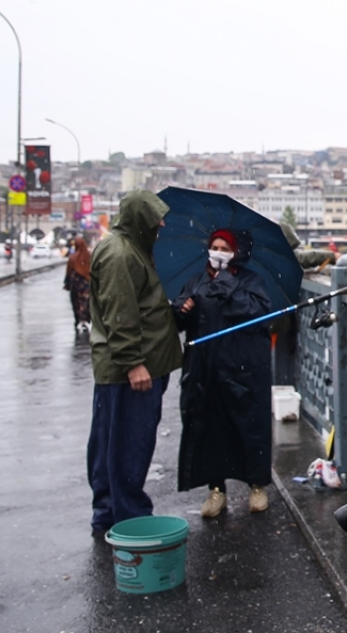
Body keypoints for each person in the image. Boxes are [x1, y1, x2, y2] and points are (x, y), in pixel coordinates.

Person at [87, 189, 183, 533]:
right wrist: (133, 364)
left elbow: (140, 306)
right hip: (133, 371)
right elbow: (121, 314)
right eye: (155, 217)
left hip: (134, 366)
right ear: (139, 218)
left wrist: (173, 314)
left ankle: (108, 512)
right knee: (129, 444)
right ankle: (130, 517)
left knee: (112, 442)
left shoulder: (130, 250)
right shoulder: (120, 255)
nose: (160, 223)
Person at [172, 229, 274, 517]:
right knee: (208, 430)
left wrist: (227, 285)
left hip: (242, 370)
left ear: (235, 252)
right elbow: (180, 320)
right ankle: (215, 491)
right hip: (204, 370)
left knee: (248, 426)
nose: (218, 251)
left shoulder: (250, 280)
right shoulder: (196, 281)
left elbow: (259, 313)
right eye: (215, 246)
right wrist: (183, 309)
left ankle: (257, 485)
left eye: (224, 247)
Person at [64, 237, 92, 333]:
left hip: (75, 284)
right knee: (87, 302)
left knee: (76, 302)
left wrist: (66, 283)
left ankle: (78, 320)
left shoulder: (73, 257)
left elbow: (68, 271)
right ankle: (86, 319)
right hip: (87, 284)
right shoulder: (90, 256)